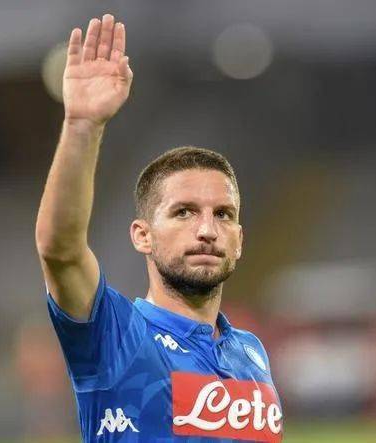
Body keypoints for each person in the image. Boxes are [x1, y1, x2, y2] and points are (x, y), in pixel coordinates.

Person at [35, 13, 283, 442]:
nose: (207, 230)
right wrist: (82, 126)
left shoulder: (250, 351)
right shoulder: (115, 334)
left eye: (223, 214)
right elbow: (61, 250)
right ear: (142, 235)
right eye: (184, 212)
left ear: (240, 240)